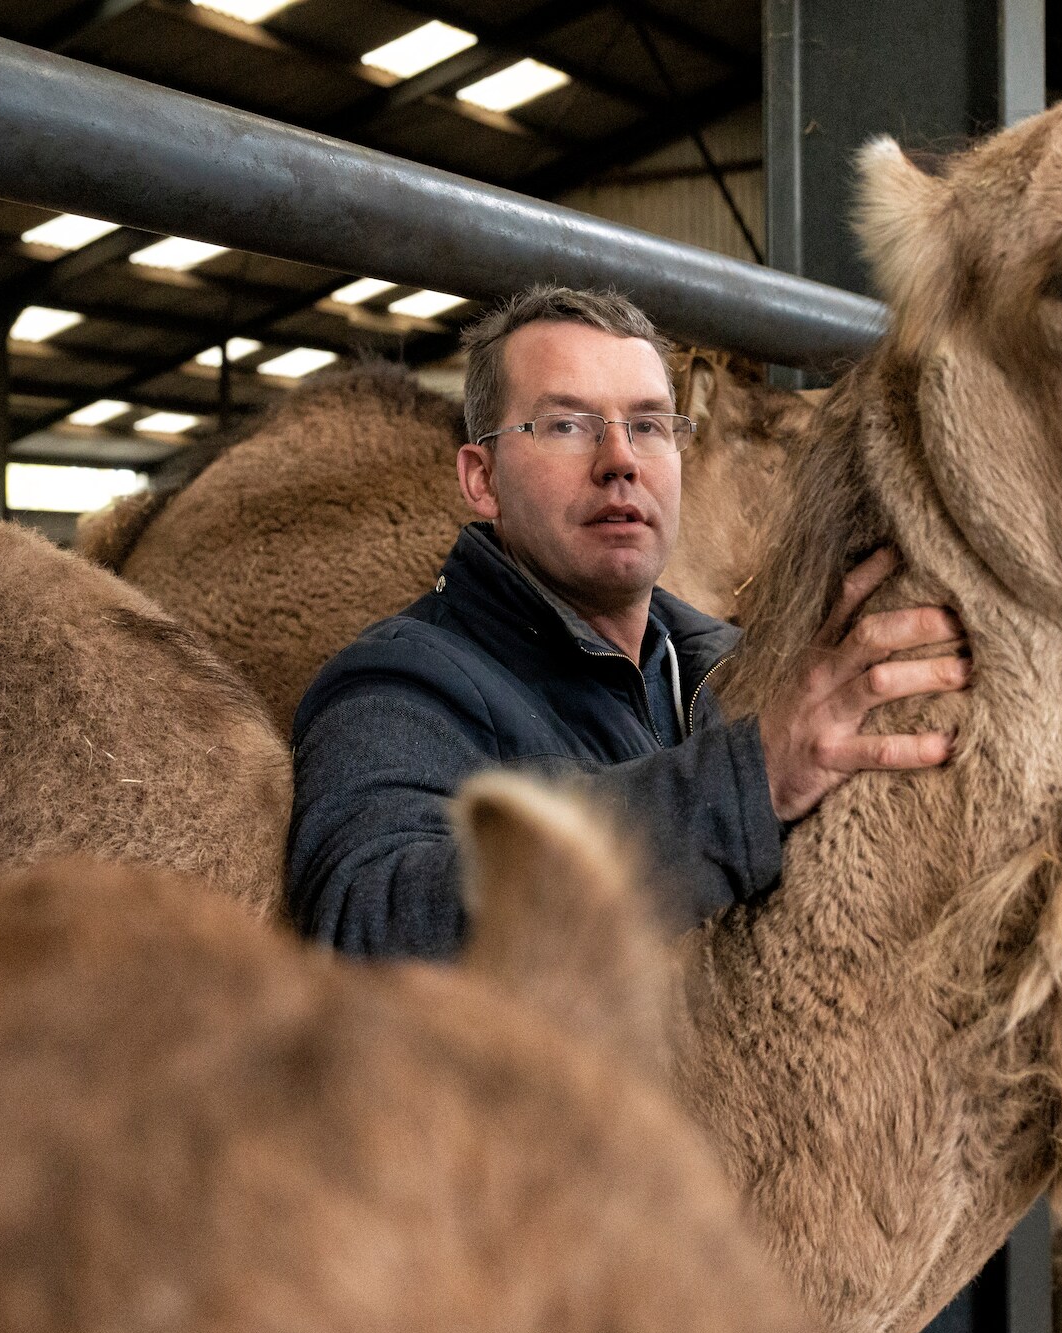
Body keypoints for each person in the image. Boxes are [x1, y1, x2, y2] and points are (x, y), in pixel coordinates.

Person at [287, 285, 969, 956]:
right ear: (482, 479)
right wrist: (746, 783)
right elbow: (366, 930)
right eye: (565, 426)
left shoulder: (740, 672)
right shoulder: (399, 687)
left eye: (647, 426)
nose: (620, 463)